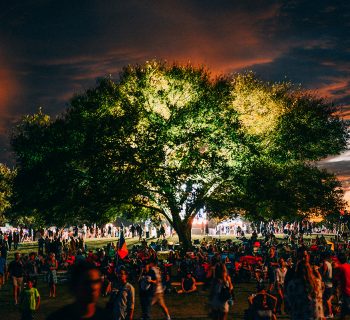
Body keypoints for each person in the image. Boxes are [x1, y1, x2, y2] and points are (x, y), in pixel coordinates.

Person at [46, 261, 111, 320]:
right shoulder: (57, 318)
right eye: (86, 283)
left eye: (96, 281)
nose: (93, 287)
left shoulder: (106, 317)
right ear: (74, 286)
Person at [337, 252, 350, 319]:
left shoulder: (340, 267)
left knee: (346, 305)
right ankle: (342, 316)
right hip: (347, 288)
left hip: (346, 289)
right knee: (344, 305)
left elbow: (337, 278)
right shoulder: (348, 265)